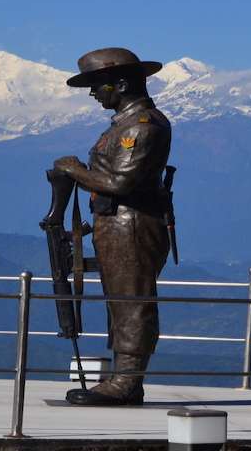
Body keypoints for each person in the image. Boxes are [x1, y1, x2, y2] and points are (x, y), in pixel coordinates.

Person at [52, 47, 173, 406]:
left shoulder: (142, 127)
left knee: (131, 300)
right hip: (116, 223)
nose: (93, 93)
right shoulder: (124, 125)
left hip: (131, 224)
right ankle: (123, 377)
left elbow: (122, 183)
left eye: (97, 85)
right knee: (119, 300)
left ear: (120, 84)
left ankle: (127, 381)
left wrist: (74, 170)